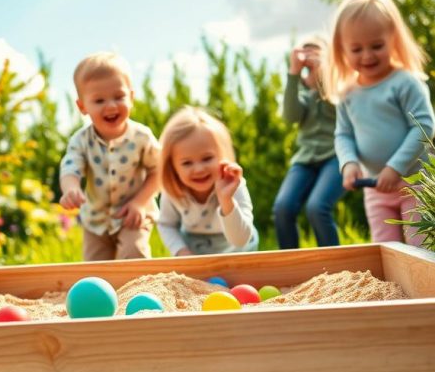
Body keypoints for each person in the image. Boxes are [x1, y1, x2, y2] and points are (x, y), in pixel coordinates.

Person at [326, 0, 435, 246]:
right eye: (356, 49)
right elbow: (343, 134)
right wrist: (349, 163)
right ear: (341, 49)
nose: (367, 56)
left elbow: (424, 127)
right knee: (385, 249)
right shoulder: (348, 94)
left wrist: (394, 167)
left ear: (393, 39)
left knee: (420, 250)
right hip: (375, 188)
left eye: (376, 46)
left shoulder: (405, 83)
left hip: (415, 183)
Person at [59, 52, 160, 260]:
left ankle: (137, 290)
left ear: (131, 97)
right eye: (99, 100)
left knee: (134, 254)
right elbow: (71, 168)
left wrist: (140, 202)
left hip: (133, 216)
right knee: (96, 269)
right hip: (96, 221)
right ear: (82, 107)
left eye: (119, 97)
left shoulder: (142, 137)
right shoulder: (80, 141)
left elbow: (158, 170)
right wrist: (71, 189)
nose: (111, 105)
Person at [157, 106, 258, 256]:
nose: (198, 169)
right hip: (195, 251)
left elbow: (240, 240)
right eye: (187, 163)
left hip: (237, 251)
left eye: (207, 158)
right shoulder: (173, 190)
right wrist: (181, 251)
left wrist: (226, 200)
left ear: (223, 156)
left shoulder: (233, 185)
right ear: (172, 167)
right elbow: (167, 225)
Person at [273, 35, 343, 249]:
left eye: (316, 53)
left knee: (317, 207)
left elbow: (338, 103)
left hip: (335, 155)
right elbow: (290, 116)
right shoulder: (299, 90)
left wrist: (324, 72)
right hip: (305, 159)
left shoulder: (338, 86)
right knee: (282, 207)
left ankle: (336, 269)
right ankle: (291, 266)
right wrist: (293, 73)